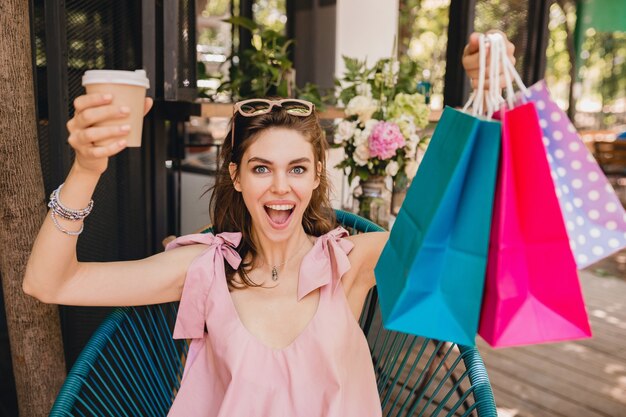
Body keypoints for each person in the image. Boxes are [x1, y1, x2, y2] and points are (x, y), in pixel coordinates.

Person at [24, 33, 514, 417]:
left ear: (317, 175)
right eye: (261, 168)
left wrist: (487, 98)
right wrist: (87, 169)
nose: (281, 187)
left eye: (297, 168)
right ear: (235, 177)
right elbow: (50, 282)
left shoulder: (353, 262)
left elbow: (463, 242)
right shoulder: (201, 267)